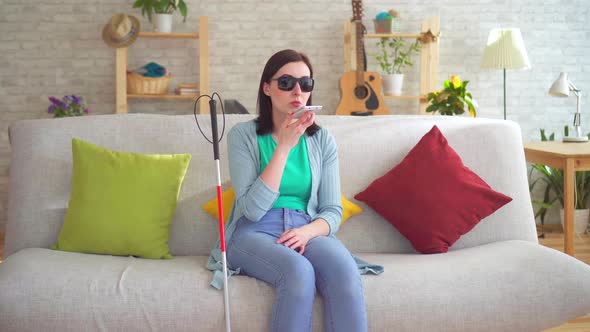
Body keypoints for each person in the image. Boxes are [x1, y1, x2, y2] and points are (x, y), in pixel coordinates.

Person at [207, 49, 376, 332]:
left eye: (306, 84)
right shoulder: (243, 136)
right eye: (286, 83)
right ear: (267, 88)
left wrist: (306, 233)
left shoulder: (322, 139)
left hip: (305, 230)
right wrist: (284, 146)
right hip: (253, 232)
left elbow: (332, 210)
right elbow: (252, 209)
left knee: (345, 273)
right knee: (298, 271)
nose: (298, 91)